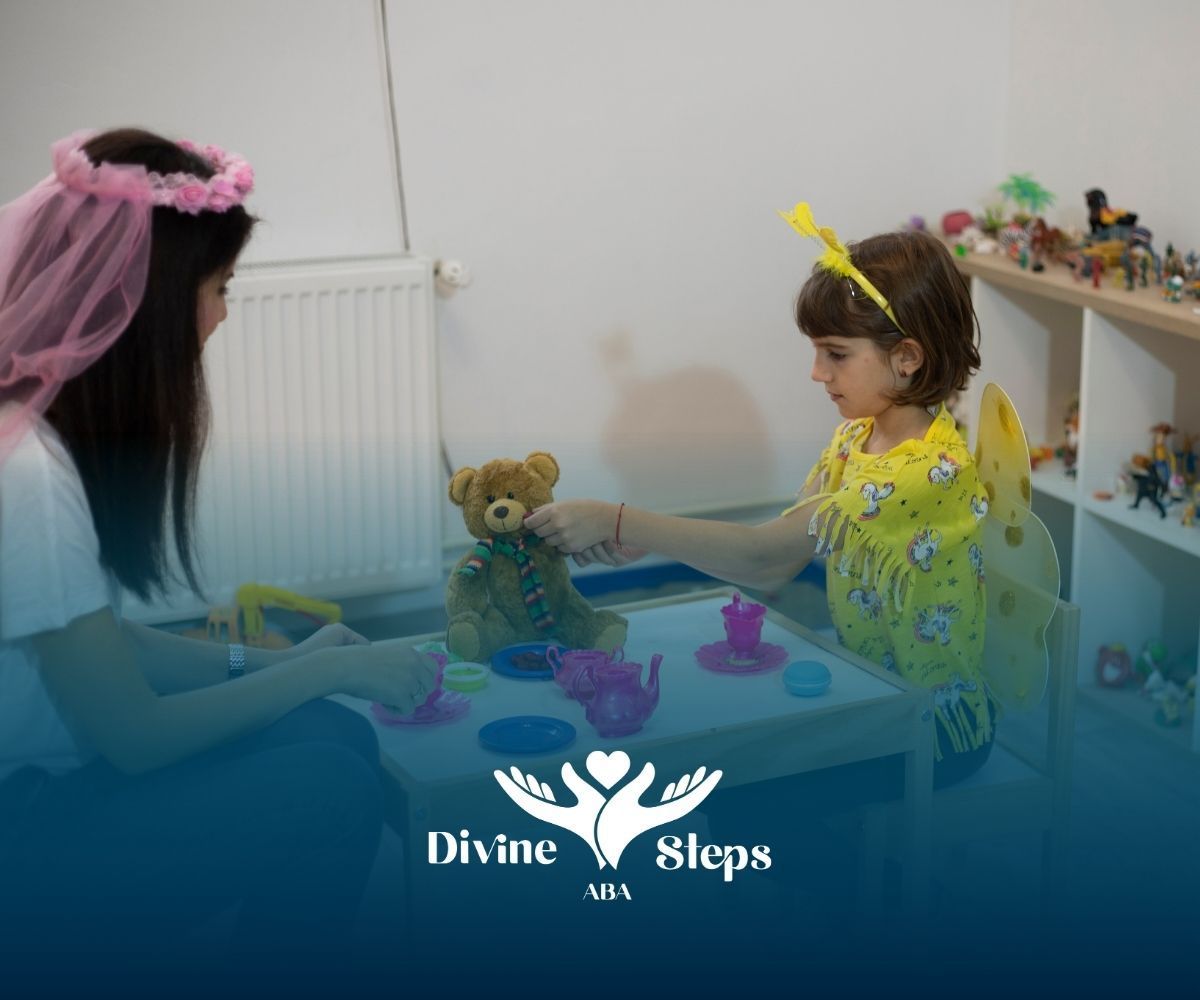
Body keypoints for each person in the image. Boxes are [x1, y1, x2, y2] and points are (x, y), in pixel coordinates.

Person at [0, 129, 438, 986]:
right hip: (25, 827)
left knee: (332, 733)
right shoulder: (30, 476)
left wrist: (279, 665)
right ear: (149, 302)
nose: (224, 315)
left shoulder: (39, 436)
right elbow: (134, 735)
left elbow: (104, 647)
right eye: (219, 289)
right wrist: (322, 671)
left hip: (45, 784)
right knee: (330, 787)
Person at [526, 207, 993, 893]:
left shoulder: (921, 473)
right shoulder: (862, 436)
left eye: (835, 354)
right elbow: (783, 547)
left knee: (740, 788)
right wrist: (633, 538)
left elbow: (767, 559)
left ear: (907, 357)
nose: (816, 372)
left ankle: (844, 916)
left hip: (933, 728)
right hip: (877, 695)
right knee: (737, 773)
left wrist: (621, 520)